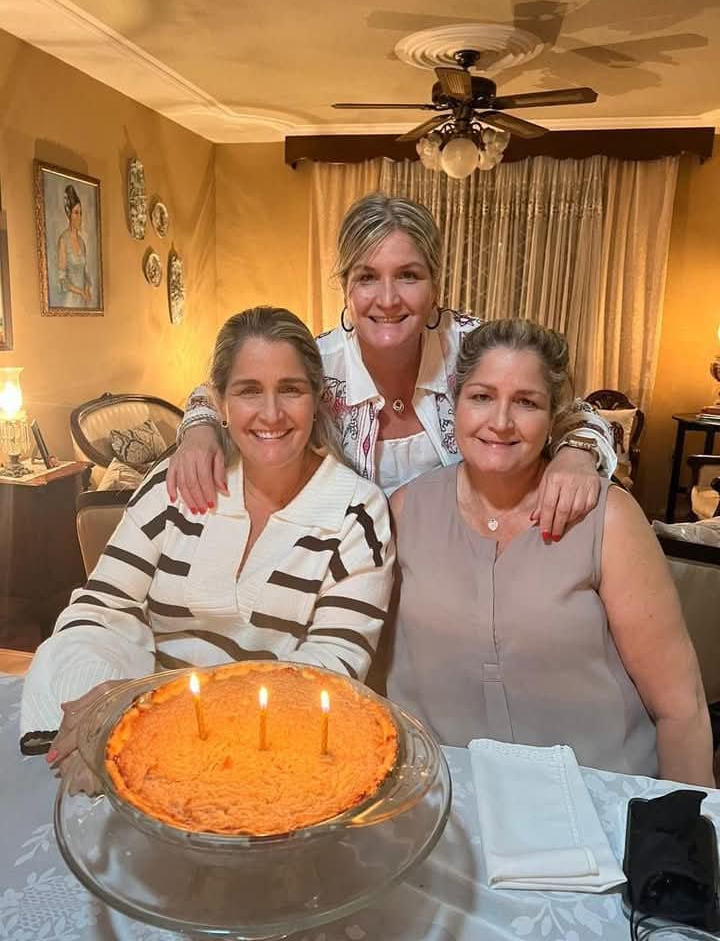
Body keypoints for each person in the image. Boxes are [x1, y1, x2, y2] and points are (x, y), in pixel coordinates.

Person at [21, 307, 394, 791]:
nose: (271, 413)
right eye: (248, 390)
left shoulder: (357, 513)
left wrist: (144, 706)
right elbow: (100, 608)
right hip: (135, 747)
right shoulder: (176, 483)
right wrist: (98, 719)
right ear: (218, 402)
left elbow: (329, 675)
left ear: (317, 397)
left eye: (291, 389)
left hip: (268, 759)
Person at [169, 194, 616, 541]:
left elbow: (569, 407)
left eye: (408, 275)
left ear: (435, 285)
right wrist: (200, 431)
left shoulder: (473, 348)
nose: (387, 299)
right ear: (346, 287)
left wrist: (576, 454)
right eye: (367, 277)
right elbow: (216, 392)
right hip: (346, 568)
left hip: (465, 561)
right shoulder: (317, 363)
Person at [386, 318, 713, 786]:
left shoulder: (608, 518)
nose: (500, 422)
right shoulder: (407, 511)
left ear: (555, 416)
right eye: (481, 397)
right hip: (448, 798)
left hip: (599, 794)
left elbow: (681, 707)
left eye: (526, 402)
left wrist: (688, 823)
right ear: (455, 403)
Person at [56, 185, 92, 308]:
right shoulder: (63, 240)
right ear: (69, 214)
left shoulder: (82, 242)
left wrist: (87, 288)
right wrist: (80, 291)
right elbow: (62, 279)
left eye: (80, 213)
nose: (79, 217)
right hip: (71, 300)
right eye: (76, 213)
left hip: (83, 300)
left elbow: (85, 272)